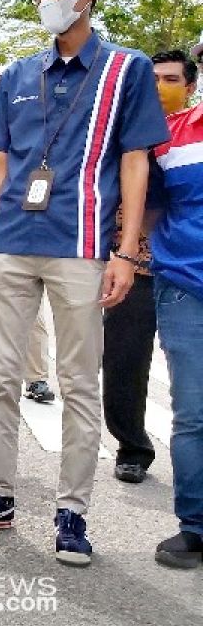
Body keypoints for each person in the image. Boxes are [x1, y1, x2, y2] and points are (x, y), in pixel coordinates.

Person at [0, 0, 169, 567]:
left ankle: (72, 513)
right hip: (11, 245)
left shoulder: (127, 70)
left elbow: (134, 162)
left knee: (78, 383)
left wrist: (126, 250)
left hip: (81, 249)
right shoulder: (19, 75)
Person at [103, 49, 197, 484]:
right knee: (124, 359)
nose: (161, 87)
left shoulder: (189, 135)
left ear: (191, 88)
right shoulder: (123, 133)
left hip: (179, 268)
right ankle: (132, 445)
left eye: (172, 79)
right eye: (154, 78)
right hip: (131, 266)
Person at [146, 60, 203, 568]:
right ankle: (196, 527)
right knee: (194, 414)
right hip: (187, 287)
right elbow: (149, 207)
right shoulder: (172, 136)